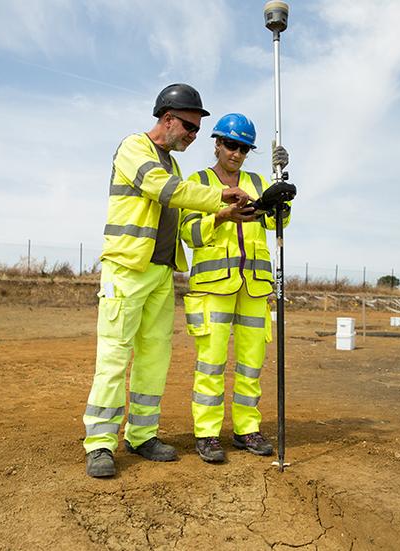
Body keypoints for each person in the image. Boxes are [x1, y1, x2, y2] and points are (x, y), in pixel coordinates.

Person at [83, 84, 251, 478]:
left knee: (154, 359)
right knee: (113, 358)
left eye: (196, 130)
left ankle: (142, 435)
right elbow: (162, 189)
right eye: (190, 128)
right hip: (127, 270)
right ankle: (100, 443)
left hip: (161, 273)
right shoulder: (134, 148)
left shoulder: (172, 163)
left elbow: (177, 202)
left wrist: (218, 216)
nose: (194, 136)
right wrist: (219, 197)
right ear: (168, 119)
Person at [179, 113, 291, 463]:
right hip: (213, 288)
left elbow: (279, 222)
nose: (236, 153)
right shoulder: (197, 182)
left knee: (251, 365)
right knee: (211, 364)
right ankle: (208, 434)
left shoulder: (258, 181)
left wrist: (280, 191)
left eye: (243, 148)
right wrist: (221, 216)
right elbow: (189, 233)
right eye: (230, 144)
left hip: (255, 289)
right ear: (217, 143)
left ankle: (247, 429)